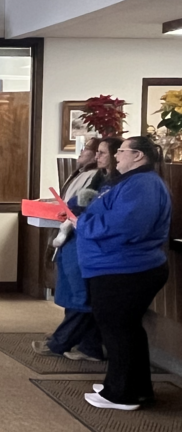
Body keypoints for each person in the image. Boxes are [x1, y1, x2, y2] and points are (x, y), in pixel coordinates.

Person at [74, 136, 170, 411]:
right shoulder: (132, 181)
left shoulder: (143, 185)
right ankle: (131, 387)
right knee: (124, 330)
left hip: (125, 268)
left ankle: (123, 394)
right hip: (116, 267)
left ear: (138, 156)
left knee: (118, 331)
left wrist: (83, 224)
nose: (117, 156)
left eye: (122, 151)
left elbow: (125, 226)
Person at [32, 138, 105, 361]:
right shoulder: (84, 173)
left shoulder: (98, 177)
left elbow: (82, 206)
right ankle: (87, 345)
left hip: (81, 237)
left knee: (79, 295)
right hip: (71, 234)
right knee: (72, 292)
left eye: (93, 151)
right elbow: (71, 202)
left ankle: (62, 341)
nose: (81, 153)